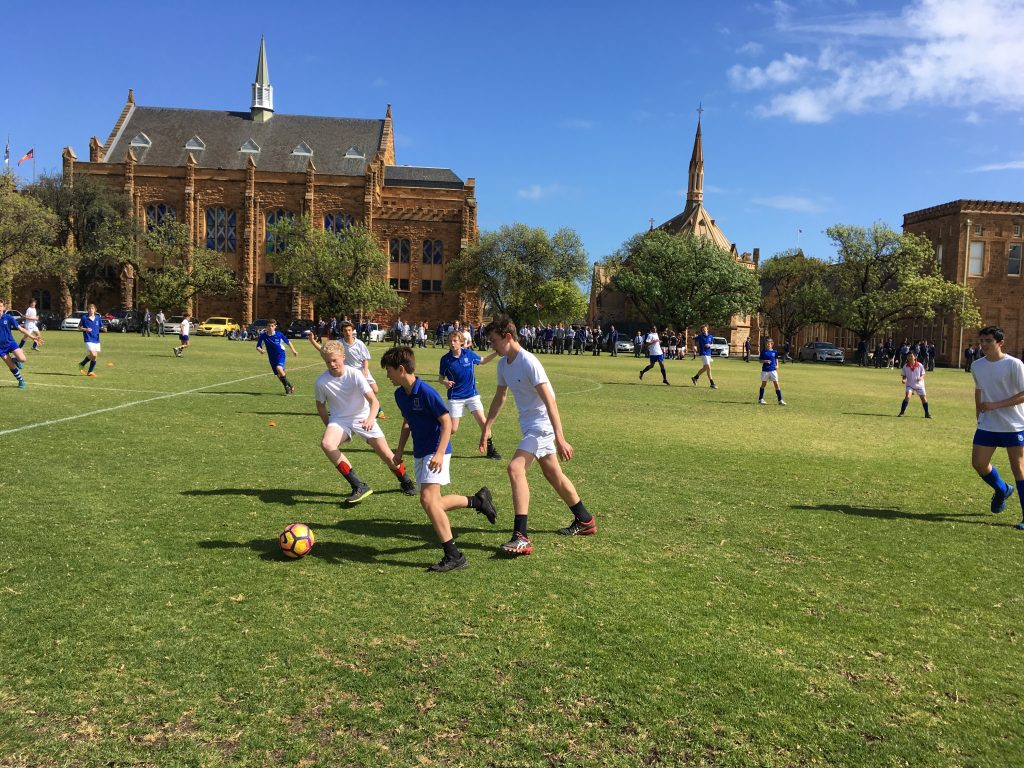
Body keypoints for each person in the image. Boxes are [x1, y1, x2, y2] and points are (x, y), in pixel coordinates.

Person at [480, 316, 596, 555]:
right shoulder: (503, 365)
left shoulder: (529, 362)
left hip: (541, 426)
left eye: (493, 340)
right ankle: (585, 520)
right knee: (554, 475)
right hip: (530, 426)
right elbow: (499, 398)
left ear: (508, 337)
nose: (491, 345)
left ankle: (521, 536)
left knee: (515, 469)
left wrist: (560, 437)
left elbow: (550, 402)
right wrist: (486, 427)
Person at [381, 346, 498, 572]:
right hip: (420, 451)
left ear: (401, 369)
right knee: (435, 502)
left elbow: (446, 423)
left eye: (389, 371)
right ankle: (477, 501)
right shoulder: (399, 395)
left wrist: (439, 453)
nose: (388, 376)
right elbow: (407, 423)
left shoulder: (426, 391)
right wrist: (399, 450)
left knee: (427, 500)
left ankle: (454, 555)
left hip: (436, 450)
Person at [314, 340, 416, 504]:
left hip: (363, 417)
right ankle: (358, 486)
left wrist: (370, 418)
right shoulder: (321, 382)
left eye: (335, 360)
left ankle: (405, 480)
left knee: (387, 455)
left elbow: (374, 402)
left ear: (343, 357)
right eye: (328, 361)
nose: (332, 364)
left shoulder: (355, 374)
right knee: (327, 444)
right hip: (340, 420)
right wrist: (329, 425)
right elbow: (320, 406)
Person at [969, 326, 1024, 530]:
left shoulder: (1014, 365)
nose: (983, 345)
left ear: (1000, 343)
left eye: (988, 341)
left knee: (1019, 468)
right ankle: (1002, 489)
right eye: (981, 340)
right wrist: (978, 413)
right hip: (988, 424)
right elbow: (979, 390)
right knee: (979, 464)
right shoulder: (977, 365)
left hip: (1014, 425)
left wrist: (996, 405)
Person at [439, 330, 501, 459]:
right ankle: (436, 444)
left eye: (455, 340)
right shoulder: (445, 360)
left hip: (472, 395)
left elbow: (483, 360)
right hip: (455, 397)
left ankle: (491, 449)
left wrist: (496, 352)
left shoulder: (469, 354)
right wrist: (445, 382)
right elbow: (440, 378)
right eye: (450, 341)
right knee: (453, 428)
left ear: (461, 342)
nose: (452, 343)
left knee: (484, 423)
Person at [308, 320, 387, 420]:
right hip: (348, 373)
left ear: (353, 330)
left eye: (349, 330)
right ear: (342, 332)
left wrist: (366, 369)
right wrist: (312, 341)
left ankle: (370, 405)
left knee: (375, 389)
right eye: (345, 330)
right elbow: (324, 350)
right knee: (356, 391)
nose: (347, 332)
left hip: (361, 370)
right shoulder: (339, 344)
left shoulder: (359, 343)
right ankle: (376, 410)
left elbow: (365, 358)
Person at [0, 299, 38, 389]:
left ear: (3, 307)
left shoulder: (8, 318)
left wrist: (32, 337)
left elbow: (21, 329)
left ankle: (15, 358)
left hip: (10, 343)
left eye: (0, 306)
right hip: (0, 348)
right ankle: (21, 381)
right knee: (11, 366)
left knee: (22, 359)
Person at [256, 318, 298, 395]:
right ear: (266, 327)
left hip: (280, 354)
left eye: (272, 326)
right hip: (271, 357)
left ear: (275, 326)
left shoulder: (279, 334)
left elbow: (288, 342)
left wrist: (293, 350)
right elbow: (258, 346)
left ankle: (286, 387)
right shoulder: (263, 336)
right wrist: (261, 350)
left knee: (279, 368)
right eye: (268, 326)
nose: (270, 327)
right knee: (279, 375)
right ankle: (290, 386)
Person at [899, 351, 930, 418]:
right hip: (910, 384)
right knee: (907, 396)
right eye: (908, 356)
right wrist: (904, 379)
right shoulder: (905, 366)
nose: (909, 357)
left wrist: (920, 378)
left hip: (919, 385)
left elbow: (923, 373)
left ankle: (927, 413)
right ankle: (902, 412)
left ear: (915, 357)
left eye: (911, 356)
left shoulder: (919, 365)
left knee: (924, 399)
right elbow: (904, 376)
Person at [757, 339, 786, 405]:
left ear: (772, 344)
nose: (767, 345)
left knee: (776, 384)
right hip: (765, 370)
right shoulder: (763, 352)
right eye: (766, 343)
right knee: (763, 384)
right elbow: (760, 361)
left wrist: (777, 365)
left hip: (773, 370)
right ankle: (760, 399)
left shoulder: (775, 352)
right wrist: (765, 361)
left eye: (768, 344)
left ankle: (780, 400)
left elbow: (776, 359)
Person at [78, 303, 104, 376]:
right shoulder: (84, 318)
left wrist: (104, 328)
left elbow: (101, 326)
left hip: (96, 339)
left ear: (95, 310)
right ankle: (83, 364)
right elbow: (79, 327)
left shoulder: (98, 318)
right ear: (87, 310)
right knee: (93, 354)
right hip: (88, 338)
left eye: (92, 308)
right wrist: (85, 329)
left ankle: (89, 371)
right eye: (89, 308)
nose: (91, 310)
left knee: (94, 356)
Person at [690, 324, 717, 389]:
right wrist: (694, 346)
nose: (704, 330)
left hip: (708, 354)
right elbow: (692, 338)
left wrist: (710, 345)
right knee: (709, 368)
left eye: (705, 329)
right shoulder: (700, 336)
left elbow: (712, 343)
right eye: (702, 330)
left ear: (707, 329)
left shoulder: (710, 336)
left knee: (705, 368)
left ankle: (695, 377)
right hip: (703, 353)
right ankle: (712, 383)